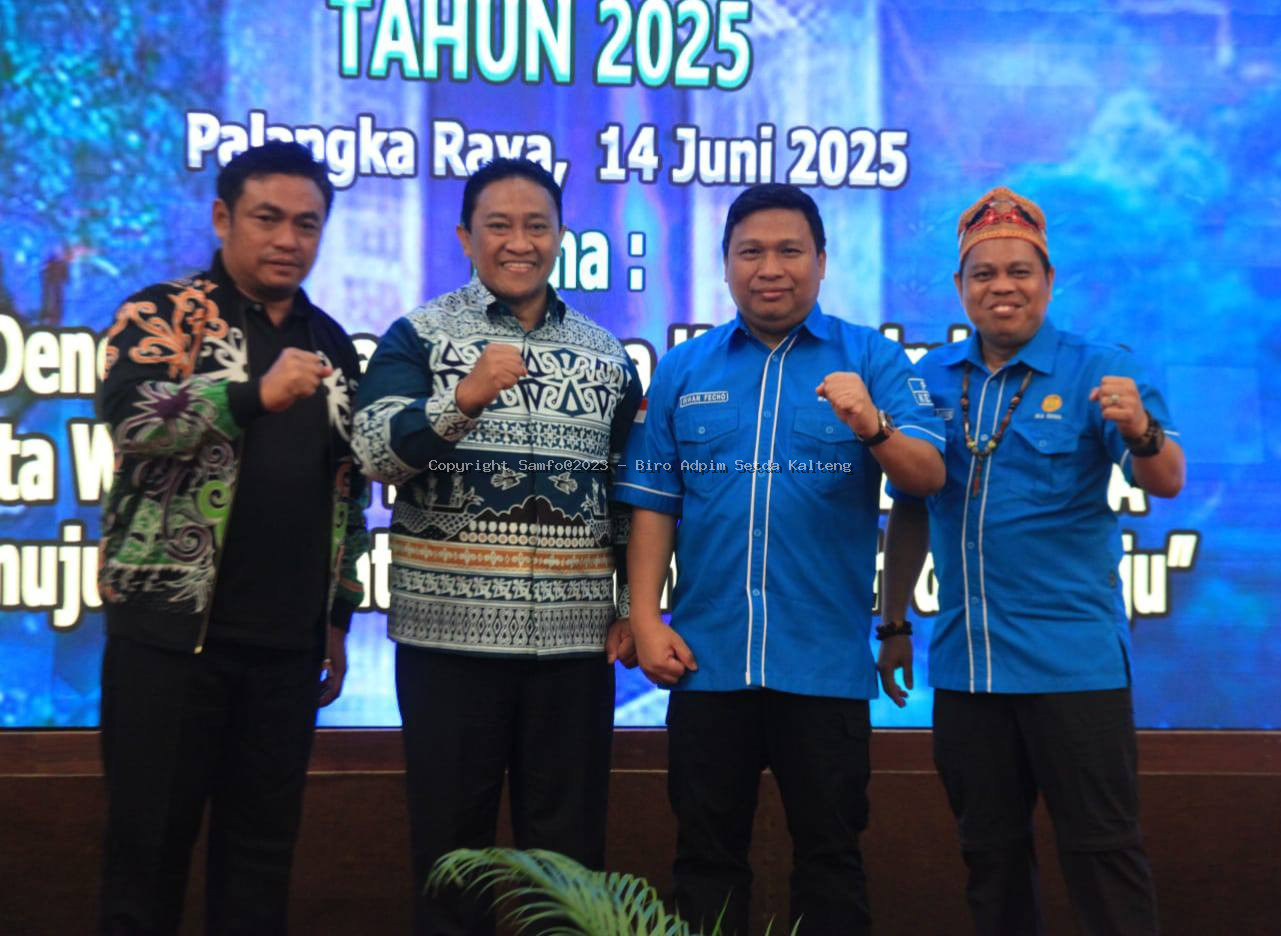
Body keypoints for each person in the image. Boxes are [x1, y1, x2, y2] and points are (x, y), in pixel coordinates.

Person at [615, 183, 946, 935]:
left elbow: (927, 477)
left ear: (822, 261)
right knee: (705, 862)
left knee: (831, 863)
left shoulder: (873, 359)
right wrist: (645, 618)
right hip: (706, 661)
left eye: (790, 250)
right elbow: (653, 505)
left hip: (822, 665)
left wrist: (871, 423)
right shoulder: (685, 367)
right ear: (726, 264)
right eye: (751, 252)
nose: (771, 268)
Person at [880, 186, 1186, 936]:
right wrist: (892, 624)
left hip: (1073, 668)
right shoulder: (929, 379)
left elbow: (1167, 479)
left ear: (1048, 280)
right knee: (990, 863)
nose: (1002, 287)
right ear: (960, 286)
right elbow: (911, 505)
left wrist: (1141, 432)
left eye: (1020, 271)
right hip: (968, 670)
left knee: (1103, 856)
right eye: (983, 273)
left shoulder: (1100, 371)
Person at [350, 158, 641, 935]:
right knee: (453, 860)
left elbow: (627, 494)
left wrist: (628, 607)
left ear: (560, 236)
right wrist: (464, 399)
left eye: (536, 226)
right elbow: (373, 451)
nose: (520, 242)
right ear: (464, 238)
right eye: (499, 226)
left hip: (574, 650)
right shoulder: (418, 335)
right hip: (449, 645)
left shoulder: (606, 354)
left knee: (570, 868)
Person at [96, 140, 369, 935]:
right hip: (170, 639)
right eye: (267, 218)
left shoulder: (331, 343)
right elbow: (130, 419)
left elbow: (348, 493)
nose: (287, 239)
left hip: (286, 650)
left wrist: (337, 617)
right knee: (146, 857)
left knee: (259, 864)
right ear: (223, 218)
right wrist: (252, 395)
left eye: (306, 224)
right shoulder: (164, 314)